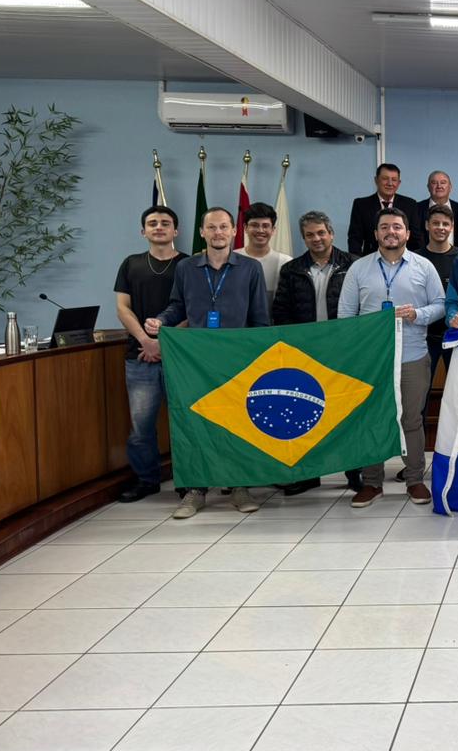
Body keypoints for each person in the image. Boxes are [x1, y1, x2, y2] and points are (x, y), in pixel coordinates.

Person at [145, 206, 270, 519]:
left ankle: (240, 487)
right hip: (195, 361)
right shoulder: (186, 268)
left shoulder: (251, 268)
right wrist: (161, 322)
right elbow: (177, 307)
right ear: (202, 232)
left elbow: (260, 318)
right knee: (195, 423)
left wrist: (259, 359)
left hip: (238, 360)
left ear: (232, 232)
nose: (218, 233)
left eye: (224, 227)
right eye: (211, 228)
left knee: (238, 423)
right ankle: (195, 491)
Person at [337, 208, 445, 507]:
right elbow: (346, 315)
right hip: (372, 360)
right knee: (373, 418)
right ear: (376, 234)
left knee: (411, 419)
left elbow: (440, 305)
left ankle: (414, 480)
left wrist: (417, 314)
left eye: (397, 227)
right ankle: (372, 483)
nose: (391, 232)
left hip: (412, 355)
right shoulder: (358, 269)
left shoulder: (423, 267)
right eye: (384, 227)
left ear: (408, 233)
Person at [271, 210, 359, 496]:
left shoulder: (353, 265)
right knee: (307, 413)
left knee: (347, 413)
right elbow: (281, 312)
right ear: (304, 238)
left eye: (321, 232)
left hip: (343, 351)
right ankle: (310, 474)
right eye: (310, 235)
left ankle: (354, 471)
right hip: (305, 353)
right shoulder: (292, 269)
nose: (316, 239)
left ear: (331, 233)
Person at [113, 205, 188, 502]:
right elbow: (122, 308)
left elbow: (195, 309)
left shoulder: (189, 264)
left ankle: (189, 479)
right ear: (143, 231)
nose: (159, 227)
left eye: (165, 223)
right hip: (139, 357)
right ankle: (147, 480)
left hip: (181, 357)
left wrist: (164, 341)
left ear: (176, 231)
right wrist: (146, 341)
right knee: (141, 426)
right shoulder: (131, 264)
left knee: (184, 421)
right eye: (152, 223)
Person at [415, 203, 458, 391]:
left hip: (457, 335)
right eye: (436, 223)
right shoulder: (416, 259)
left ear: (451, 227)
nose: (441, 228)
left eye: (445, 224)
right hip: (424, 337)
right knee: (421, 392)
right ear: (427, 225)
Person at [347, 163, 422, 255]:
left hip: (403, 260)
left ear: (399, 183)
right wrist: (357, 263)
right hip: (371, 260)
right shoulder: (361, 205)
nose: (390, 183)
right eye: (385, 179)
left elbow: (416, 238)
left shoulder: (410, 204)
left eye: (394, 180)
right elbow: (355, 239)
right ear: (376, 180)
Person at [236, 201, 292, 306]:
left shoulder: (286, 262)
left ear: (273, 230)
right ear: (245, 228)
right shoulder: (232, 258)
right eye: (254, 225)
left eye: (266, 226)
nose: (260, 230)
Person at [416, 170, 458, 245]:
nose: (439, 186)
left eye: (443, 182)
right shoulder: (416, 209)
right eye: (434, 183)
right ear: (428, 187)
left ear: (450, 187)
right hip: (423, 255)